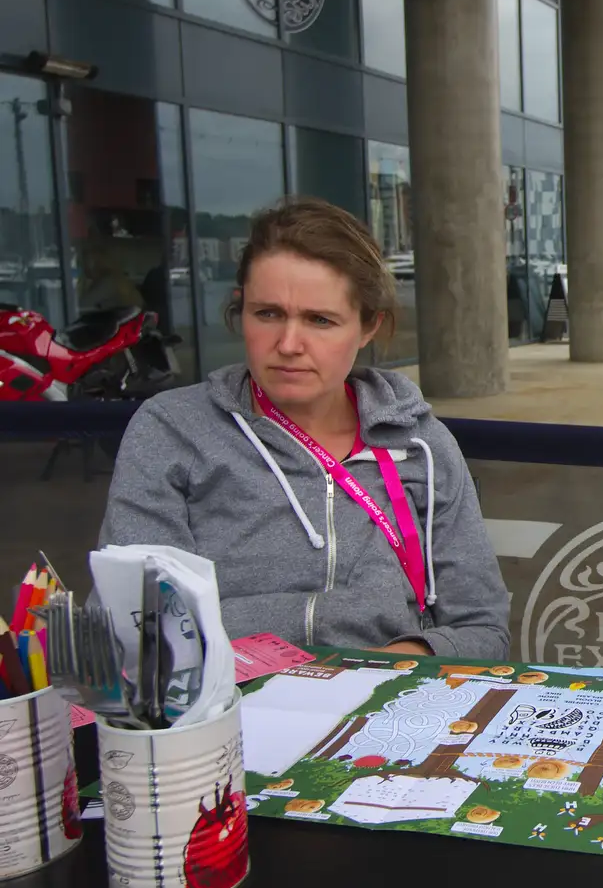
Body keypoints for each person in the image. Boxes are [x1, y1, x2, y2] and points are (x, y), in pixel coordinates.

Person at [99, 198, 510, 659]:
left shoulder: (421, 446)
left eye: (320, 320)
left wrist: (410, 657)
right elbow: (139, 626)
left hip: (385, 705)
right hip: (230, 713)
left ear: (369, 326)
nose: (288, 344)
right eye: (267, 314)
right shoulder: (172, 431)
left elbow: (483, 630)